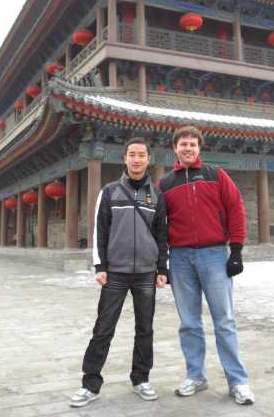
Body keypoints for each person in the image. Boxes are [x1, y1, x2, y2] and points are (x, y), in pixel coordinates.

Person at [159, 125, 254, 406]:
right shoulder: (165, 183)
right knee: (188, 323)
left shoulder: (216, 175)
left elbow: (236, 208)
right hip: (180, 258)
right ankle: (196, 376)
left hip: (214, 255)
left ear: (200, 148)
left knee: (224, 320)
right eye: (182, 144)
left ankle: (237, 381)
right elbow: (160, 226)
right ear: (174, 148)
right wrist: (162, 261)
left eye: (192, 144)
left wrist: (235, 250)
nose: (187, 148)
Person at [70, 137, 168, 408]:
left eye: (141, 155)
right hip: (115, 273)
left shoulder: (157, 196)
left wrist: (162, 268)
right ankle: (90, 384)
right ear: (124, 158)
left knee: (145, 328)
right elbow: (99, 231)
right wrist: (100, 266)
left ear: (149, 159)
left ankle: (141, 379)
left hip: (147, 273)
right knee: (103, 328)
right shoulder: (110, 191)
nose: (136, 159)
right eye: (132, 154)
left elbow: (162, 235)